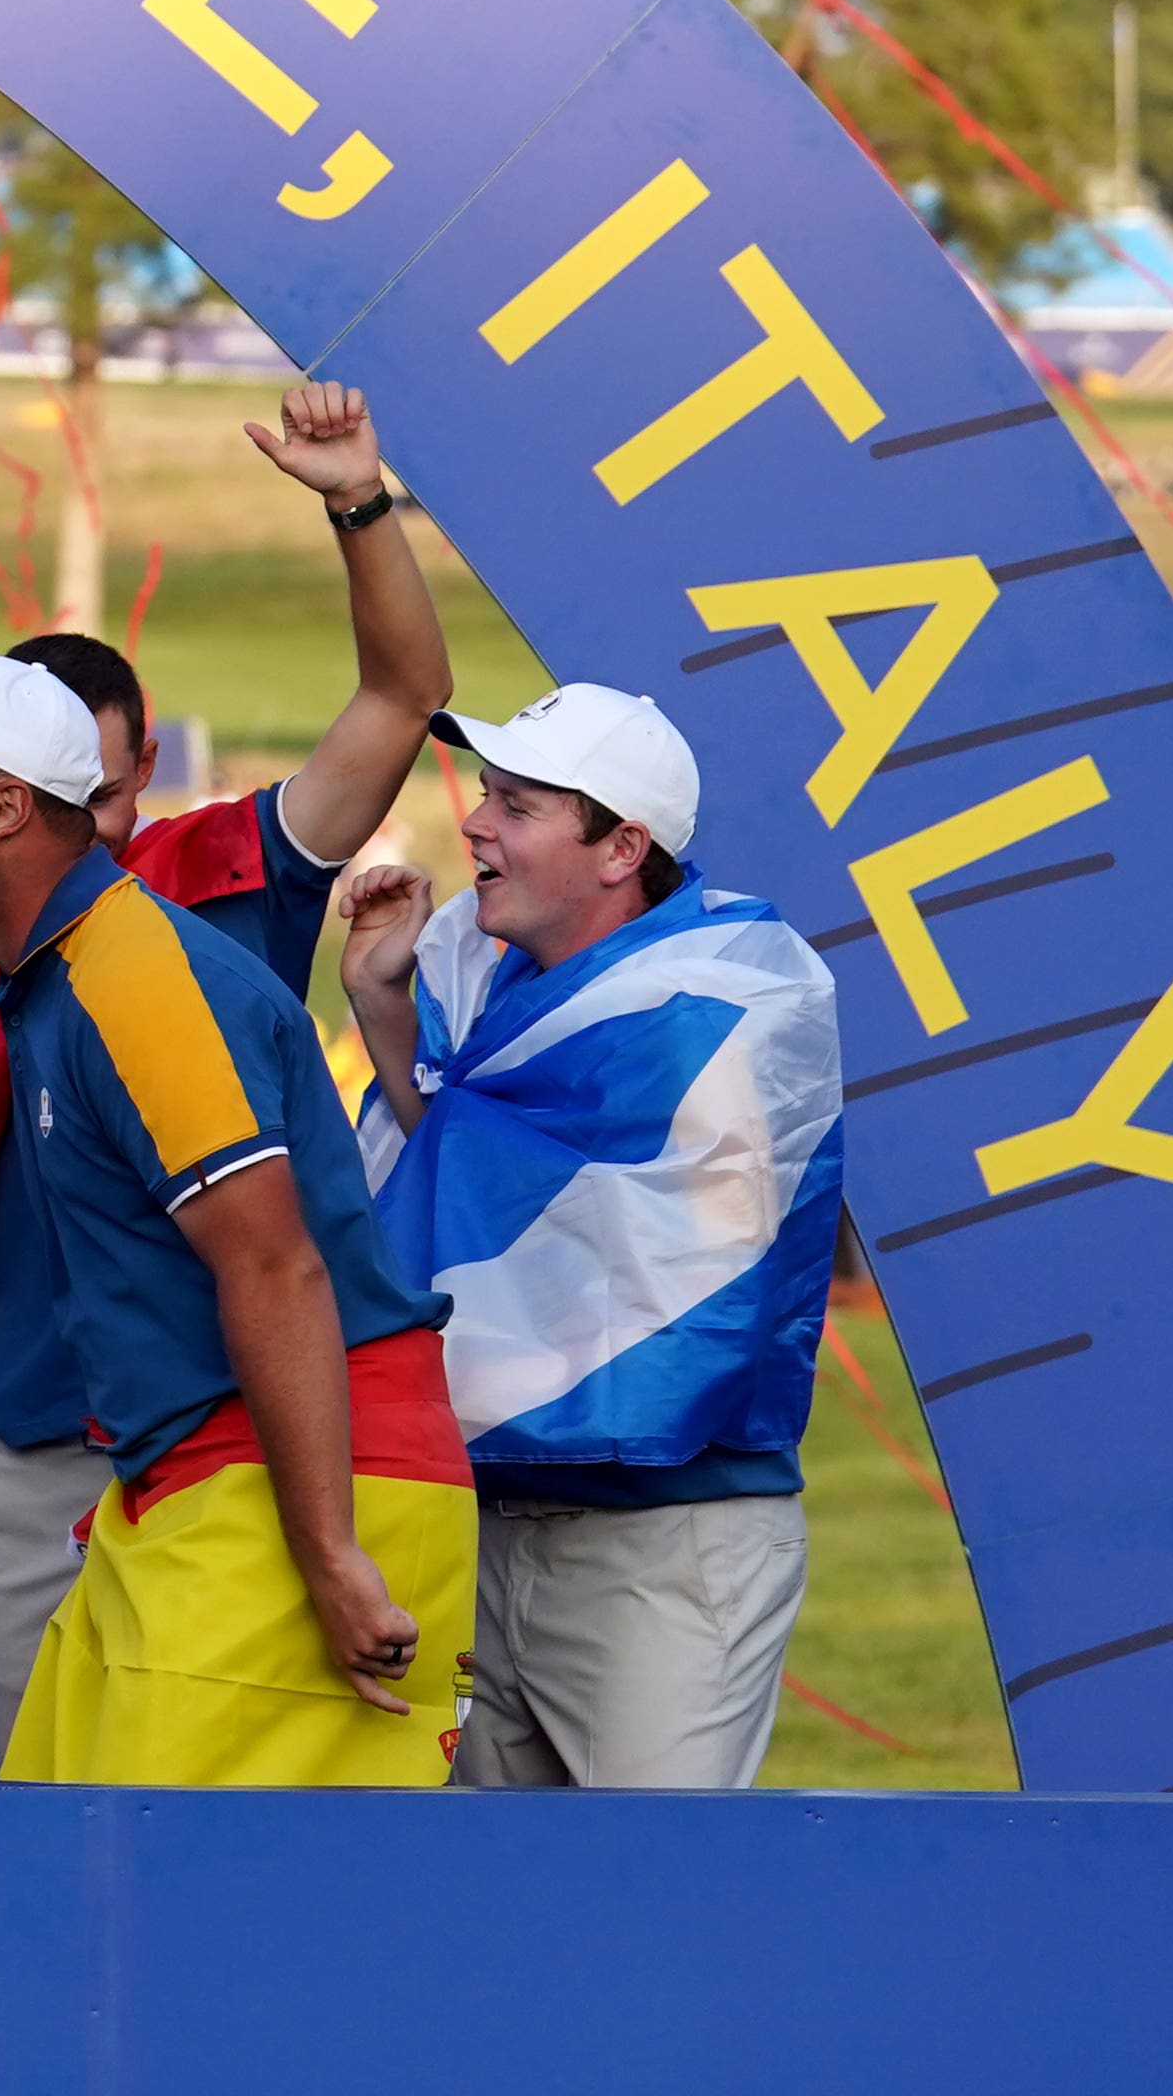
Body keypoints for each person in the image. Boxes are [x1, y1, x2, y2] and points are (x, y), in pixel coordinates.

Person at [0, 381, 455, 1755]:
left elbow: (272, 1264)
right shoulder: (23, 957)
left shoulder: (141, 954)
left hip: (257, 1460)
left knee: (189, 1901)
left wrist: (327, 1548)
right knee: (84, 1863)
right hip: (148, 1465)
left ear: (6, 804)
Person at [342, 683, 841, 1792]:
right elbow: (469, 1181)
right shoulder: (470, 975)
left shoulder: (725, 995)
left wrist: (414, 1039)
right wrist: (385, 1007)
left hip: (663, 1543)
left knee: (653, 1918)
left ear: (623, 846)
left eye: (516, 806)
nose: (473, 822)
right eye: (485, 794)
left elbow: (529, 1194)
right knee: (487, 1918)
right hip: (482, 1524)